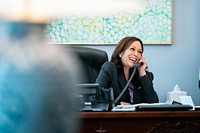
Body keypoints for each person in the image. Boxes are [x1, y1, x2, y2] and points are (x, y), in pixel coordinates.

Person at [95, 36, 159, 105]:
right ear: (120, 53)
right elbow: (97, 97)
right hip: (115, 115)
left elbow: (153, 103)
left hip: (138, 115)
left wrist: (142, 73)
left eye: (139, 52)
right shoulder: (109, 68)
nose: (136, 54)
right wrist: (119, 104)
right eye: (132, 49)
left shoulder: (145, 76)